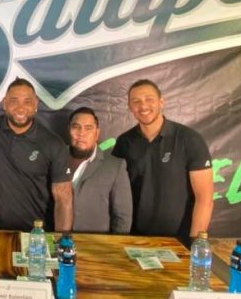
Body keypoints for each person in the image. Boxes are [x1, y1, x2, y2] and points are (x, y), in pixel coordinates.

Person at [112, 79, 213, 239]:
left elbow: (205, 198)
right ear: (130, 107)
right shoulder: (124, 142)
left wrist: (195, 243)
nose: (143, 106)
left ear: (161, 102)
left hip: (180, 239)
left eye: (149, 99)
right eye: (136, 101)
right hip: (135, 238)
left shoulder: (189, 139)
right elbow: (115, 193)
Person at [0, 78, 73, 231]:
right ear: (4, 103)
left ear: (36, 104)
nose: (20, 108)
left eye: (27, 102)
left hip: (36, 235)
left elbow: (63, 198)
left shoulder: (53, 143)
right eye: (14, 101)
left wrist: (62, 238)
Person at [67, 107, 132, 234]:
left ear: (97, 133)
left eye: (88, 128)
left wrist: (116, 244)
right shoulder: (54, 159)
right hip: (56, 241)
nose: (81, 133)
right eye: (76, 127)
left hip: (95, 242)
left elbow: (122, 217)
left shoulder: (115, 165)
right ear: (69, 130)